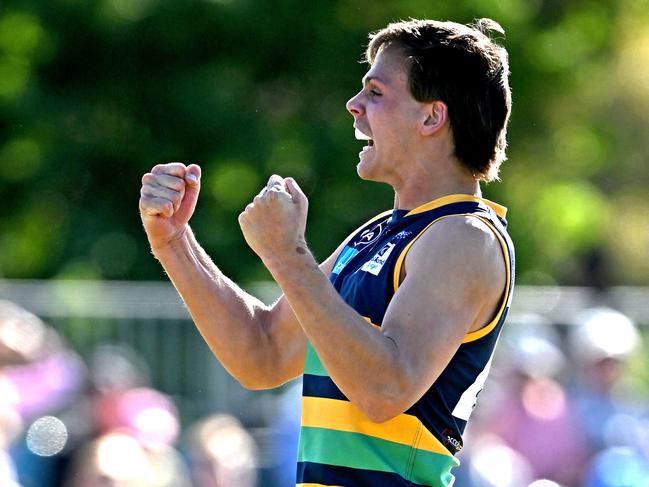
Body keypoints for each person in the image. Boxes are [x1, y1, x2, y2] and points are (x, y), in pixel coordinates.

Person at [139, 18, 514, 486]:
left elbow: (384, 389)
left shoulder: (465, 236)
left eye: (375, 92)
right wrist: (174, 242)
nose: (353, 105)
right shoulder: (380, 234)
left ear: (431, 117)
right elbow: (264, 354)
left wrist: (288, 255)